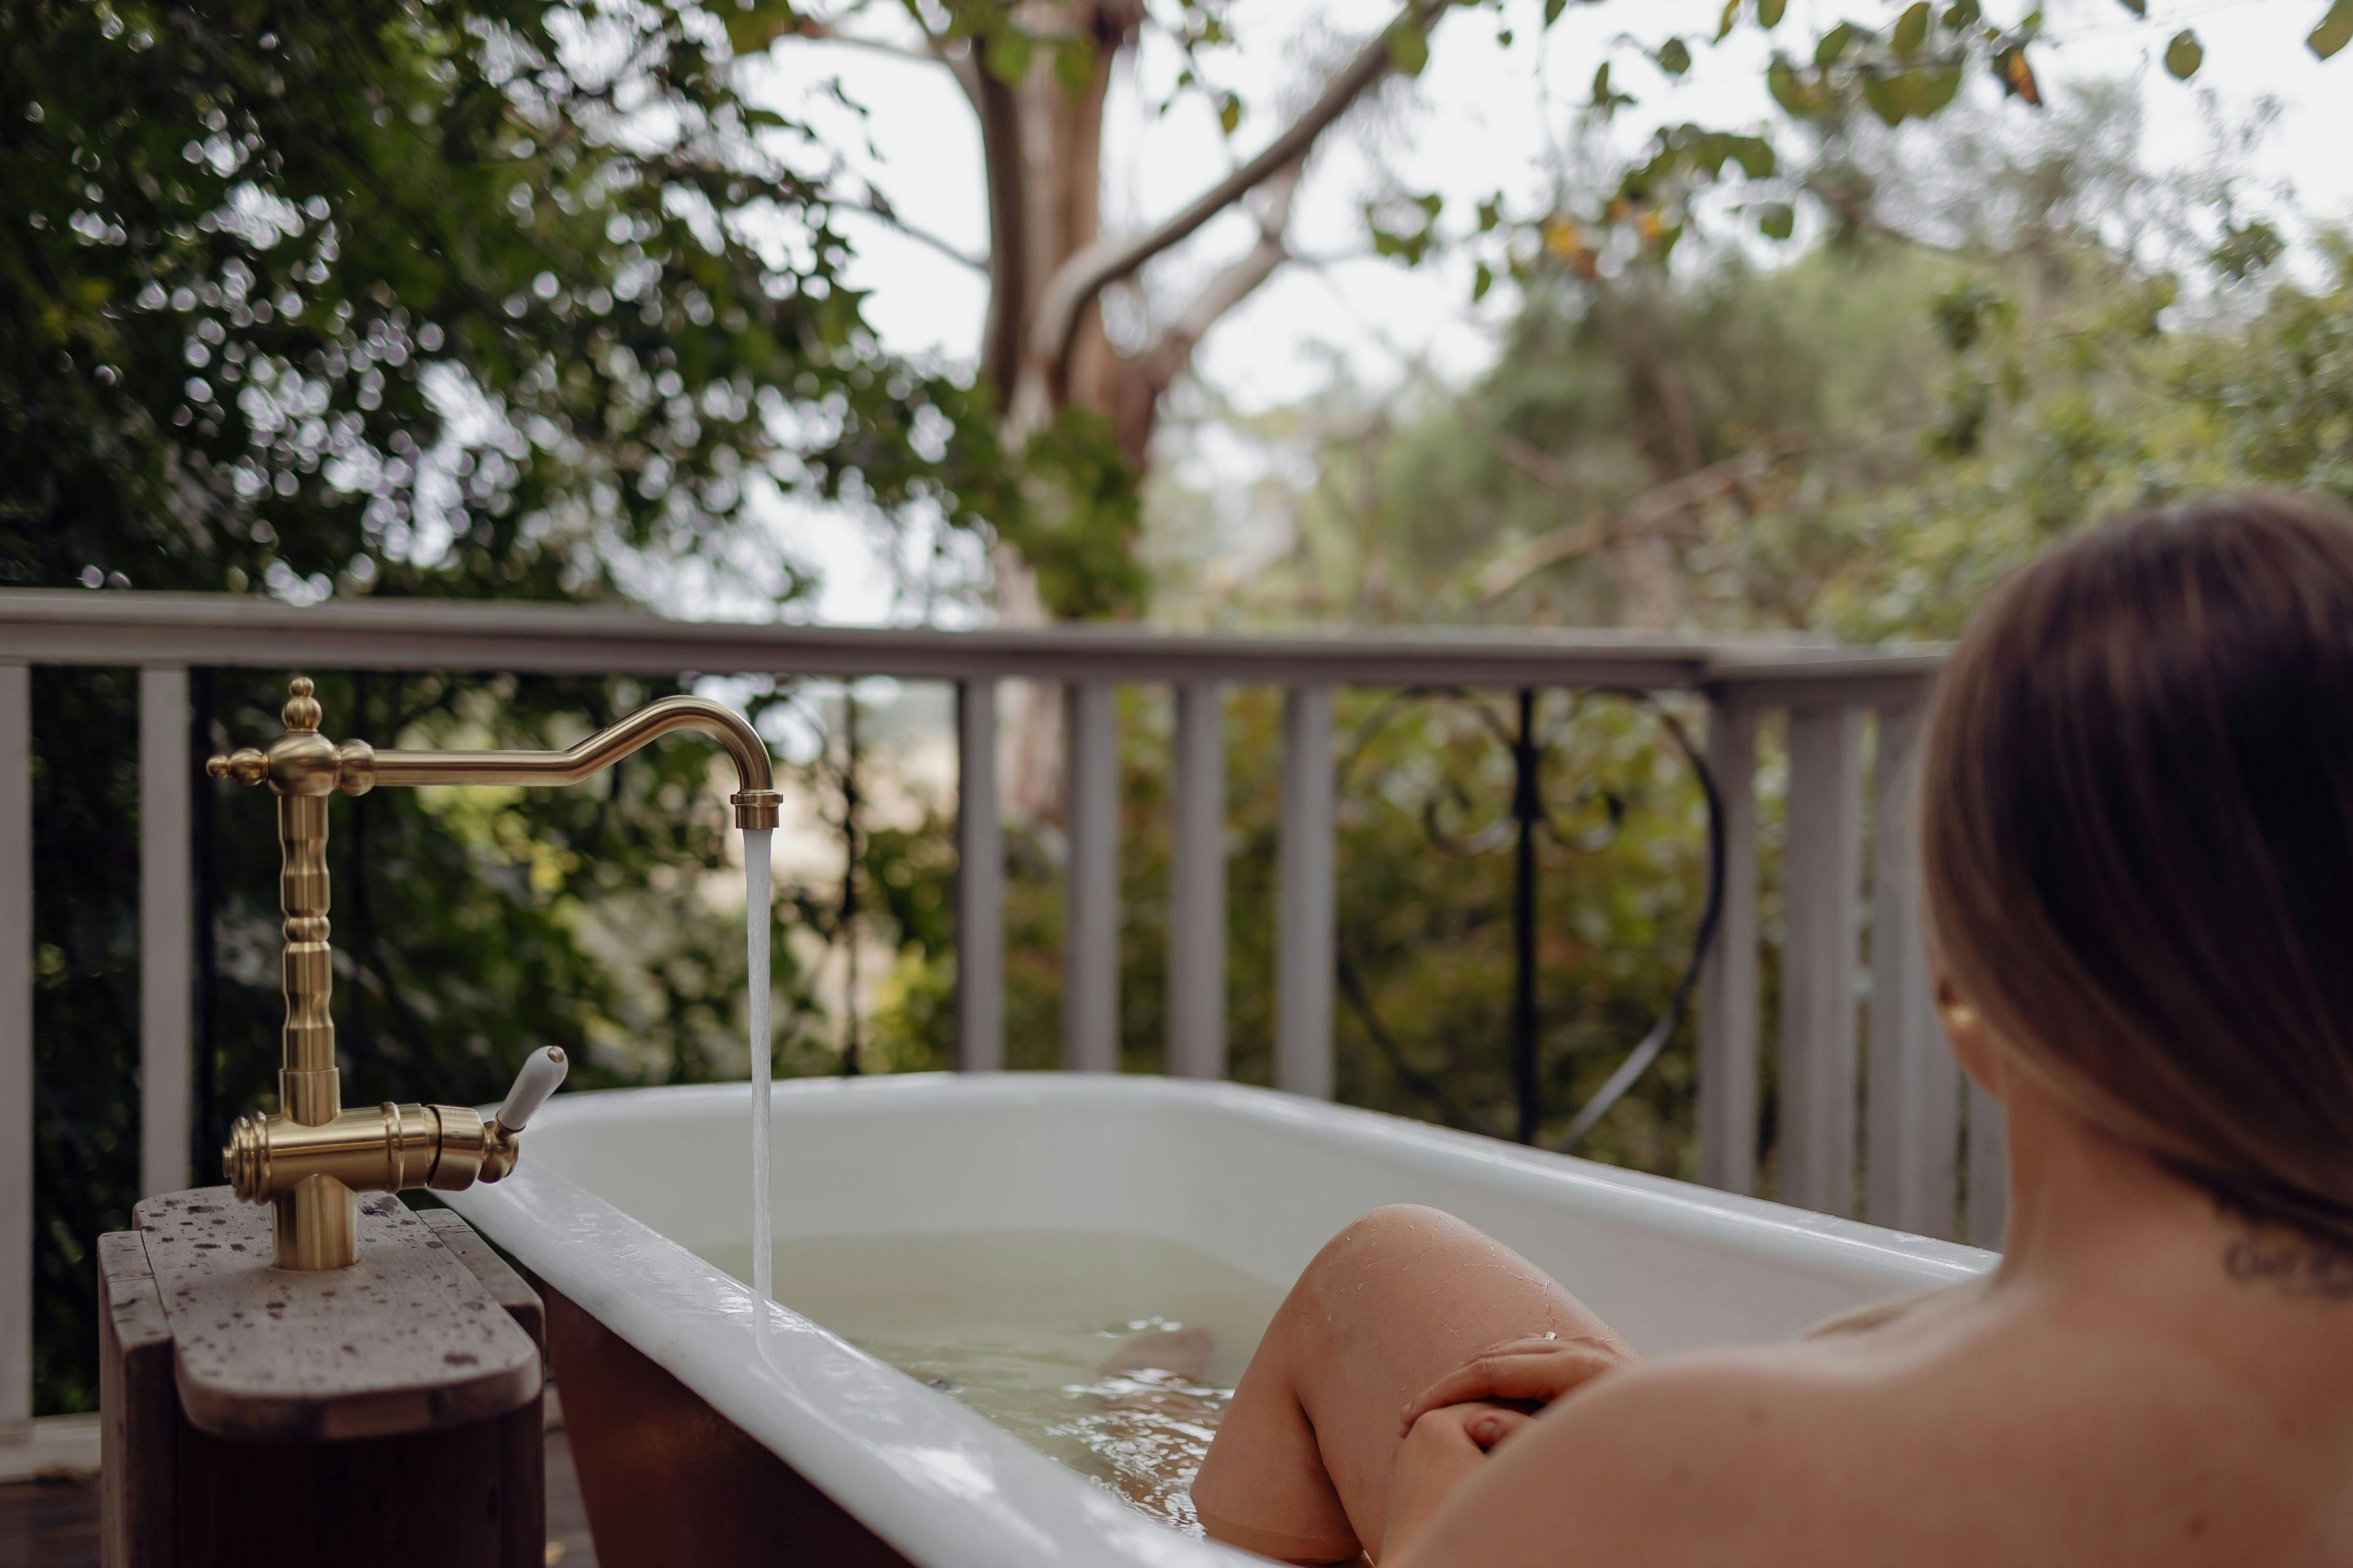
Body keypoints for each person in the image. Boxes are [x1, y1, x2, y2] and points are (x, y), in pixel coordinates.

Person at [1190, 493, 2353, 1566]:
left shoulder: (1649, 1481)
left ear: (1972, 979)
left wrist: (1456, 1536)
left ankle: (1138, 1421)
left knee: (1289, 1373)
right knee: (1389, 1269)